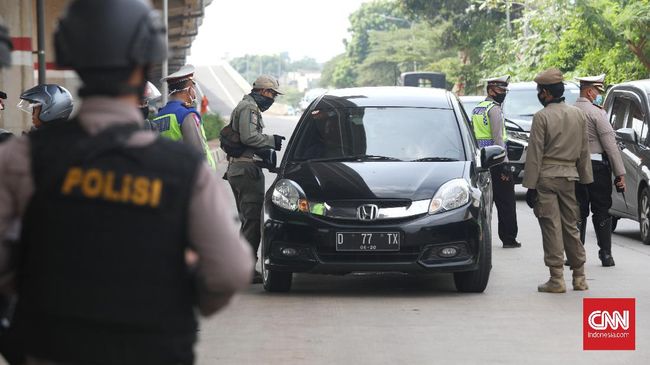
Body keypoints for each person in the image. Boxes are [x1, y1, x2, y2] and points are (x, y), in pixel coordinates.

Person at [0, 1, 253, 364]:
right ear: (146, 60)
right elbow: (229, 271)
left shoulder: (21, 158)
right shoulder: (183, 170)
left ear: (71, 55)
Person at [523, 68, 593, 293]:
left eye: (539, 91)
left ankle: (556, 279)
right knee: (571, 226)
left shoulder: (541, 117)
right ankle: (580, 277)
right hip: (570, 176)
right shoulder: (578, 115)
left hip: (546, 178)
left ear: (546, 93)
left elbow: (534, 154)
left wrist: (530, 187)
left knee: (551, 226)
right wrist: (585, 182)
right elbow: (584, 152)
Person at [226, 75, 285, 283]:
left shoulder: (248, 106)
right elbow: (249, 137)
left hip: (242, 169)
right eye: (272, 94)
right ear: (263, 92)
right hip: (246, 170)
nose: (273, 99)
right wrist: (271, 141)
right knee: (252, 221)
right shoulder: (249, 108)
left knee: (247, 221)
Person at [572, 74, 625, 267]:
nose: (598, 96)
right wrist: (620, 173)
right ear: (589, 91)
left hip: (574, 168)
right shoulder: (597, 113)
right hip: (597, 168)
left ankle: (575, 255)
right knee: (601, 210)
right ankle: (606, 255)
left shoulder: (569, 111)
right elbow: (610, 145)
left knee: (578, 210)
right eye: (597, 92)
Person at [471, 75, 521, 248]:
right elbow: (498, 139)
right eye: (500, 91)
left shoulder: (478, 108)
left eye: (504, 91)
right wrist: (504, 165)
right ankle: (509, 238)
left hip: (482, 161)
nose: (503, 94)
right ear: (491, 90)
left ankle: (481, 237)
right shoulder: (494, 110)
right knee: (506, 202)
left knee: (485, 202)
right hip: (497, 162)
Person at [152, 64, 216, 169]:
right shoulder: (186, 115)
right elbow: (198, 153)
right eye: (194, 87)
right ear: (189, 89)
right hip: (190, 179)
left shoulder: (158, 116)